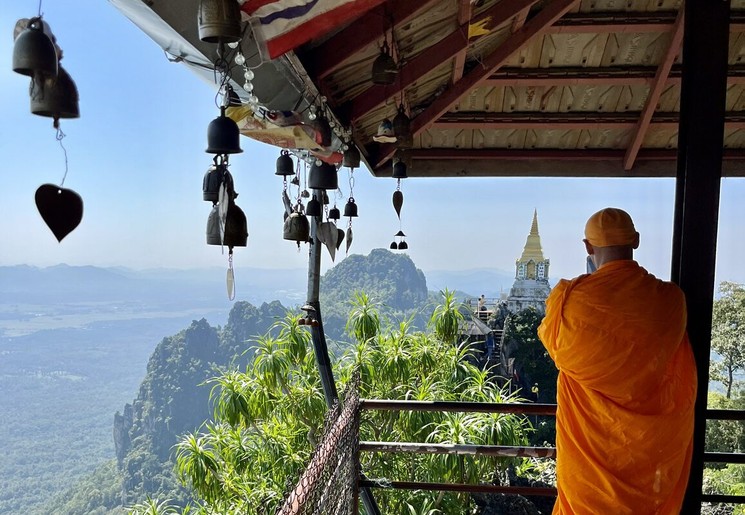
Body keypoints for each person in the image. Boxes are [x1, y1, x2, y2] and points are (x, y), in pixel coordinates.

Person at [537, 207, 697, 514]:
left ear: (587, 246)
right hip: (646, 453)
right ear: (635, 240)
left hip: (588, 457)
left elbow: (553, 344)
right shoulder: (671, 300)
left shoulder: (570, 302)